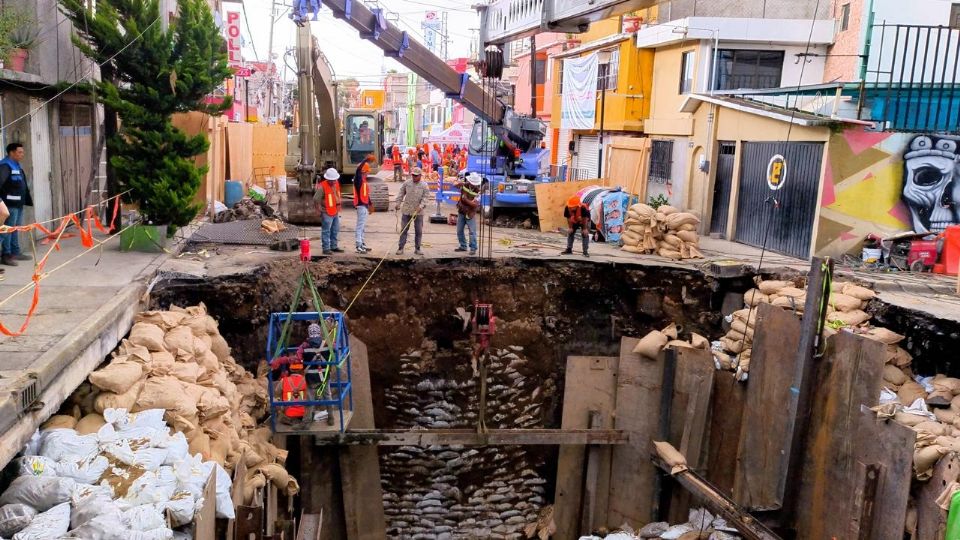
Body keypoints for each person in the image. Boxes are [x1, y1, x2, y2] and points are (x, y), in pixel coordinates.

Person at [0, 143, 32, 267]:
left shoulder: (16, 165)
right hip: (8, 205)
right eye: (19, 152)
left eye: (22, 152)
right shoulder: (5, 166)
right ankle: (6, 255)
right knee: (7, 230)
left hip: (18, 203)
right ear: (11, 152)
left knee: (15, 228)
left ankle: (15, 252)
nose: (22, 155)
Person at [396, 167, 430, 256]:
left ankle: (417, 248)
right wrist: (398, 203)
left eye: (416, 176)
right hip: (407, 210)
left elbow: (426, 197)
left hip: (418, 212)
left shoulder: (424, 185)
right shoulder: (407, 183)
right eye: (413, 175)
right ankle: (400, 248)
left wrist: (421, 206)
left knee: (418, 230)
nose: (414, 177)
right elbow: (401, 193)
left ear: (420, 176)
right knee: (404, 229)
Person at [315, 168, 343, 255]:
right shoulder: (322, 187)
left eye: (335, 180)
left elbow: (337, 195)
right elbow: (316, 199)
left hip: (335, 210)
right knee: (326, 231)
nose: (334, 182)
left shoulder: (336, 183)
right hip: (326, 212)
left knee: (335, 229)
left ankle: (334, 246)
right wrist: (318, 210)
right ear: (328, 179)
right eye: (332, 180)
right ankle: (326, 248)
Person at [455, 173, 481, 255]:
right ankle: (463, 246)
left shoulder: (478, 191)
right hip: (462, 211)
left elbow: (475, 204)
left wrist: (466, 200)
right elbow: (455, 185)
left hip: (470, 213)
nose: (473, 185)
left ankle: (473, 248)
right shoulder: (465, 185)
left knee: (472, 231)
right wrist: (458, 183)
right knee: (459, 230)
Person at [354, 155, 374, 254]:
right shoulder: (358, 180)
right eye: (366, 172)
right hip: (361, 205)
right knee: (360, 225)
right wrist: (365, 159)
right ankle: (358, 245)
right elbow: (357, 170)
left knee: (363, 226)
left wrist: (370, 204)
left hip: (364, 205)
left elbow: (366, 195)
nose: (367, 174)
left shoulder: (364, 182)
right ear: (363, 172)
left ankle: (362, 243)